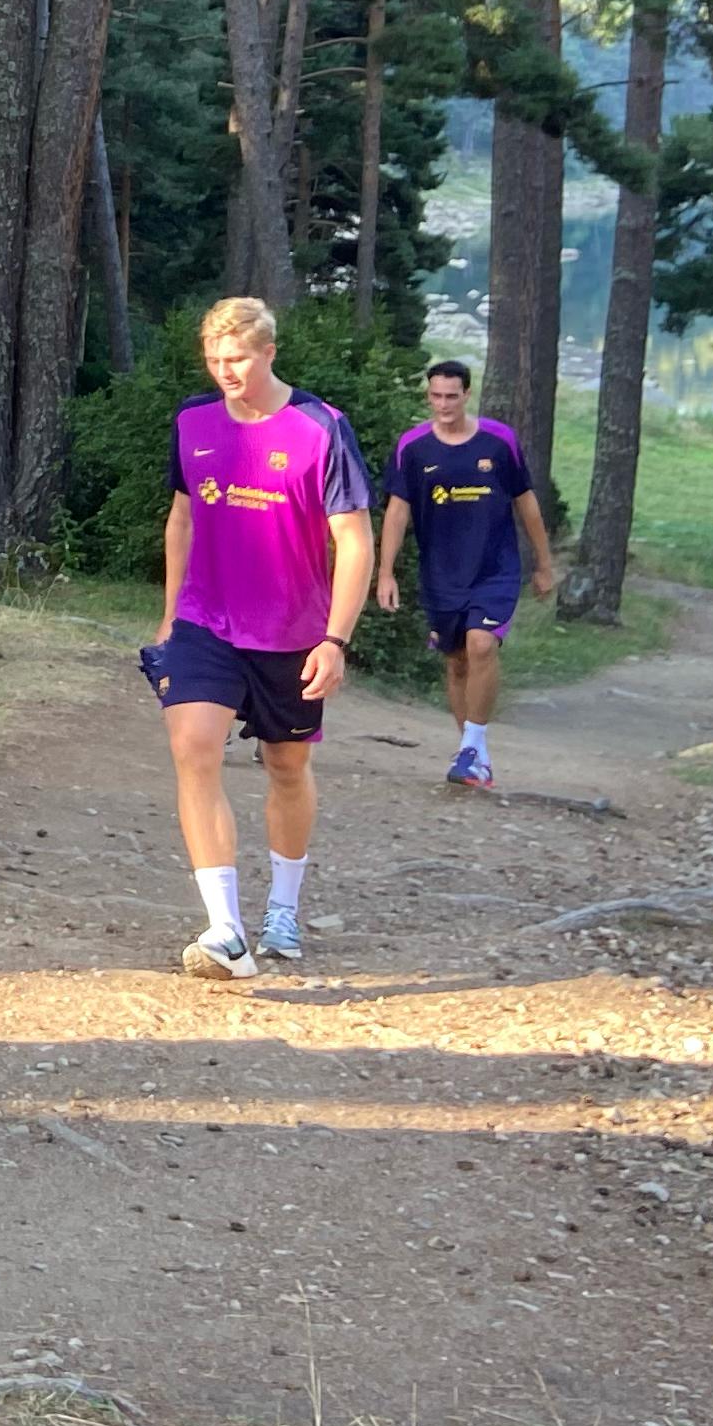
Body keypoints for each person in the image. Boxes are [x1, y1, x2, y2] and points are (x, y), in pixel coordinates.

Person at [140, 295, 373, 979]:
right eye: (214, 361)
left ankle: (283, 909)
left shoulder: (320, 428)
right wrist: (170, 611)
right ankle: (225, 928)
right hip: (206, 621)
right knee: (193, 747)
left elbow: (353, 540)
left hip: (293, 631)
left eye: (237, 358)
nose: (225, 371)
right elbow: (181, 519)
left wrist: (335, 640)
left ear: (269, 352)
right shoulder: (193, 422)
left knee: (287, 767)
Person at [374, 358, 555, 791]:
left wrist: (545, 564)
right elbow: (397, 512)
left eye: (451, 396)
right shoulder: (413, 447)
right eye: (435, 396)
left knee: (481, 645)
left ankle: (474, 746)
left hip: (495, 568)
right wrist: (385, 572)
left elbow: (526, 502)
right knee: (456, 663)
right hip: (442, 573)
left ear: (467, 394)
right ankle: (471, 753)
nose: (443, 404)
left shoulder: (498, 441)